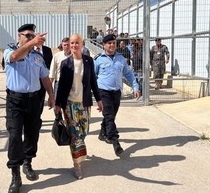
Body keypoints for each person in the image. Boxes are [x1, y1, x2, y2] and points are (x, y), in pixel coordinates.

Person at [4, 24, 54, 193]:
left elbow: (45, 77)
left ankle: (28, 162)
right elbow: (16, 56)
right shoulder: (10, 50)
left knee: (32, 134)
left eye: (32, 35)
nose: (30, 38)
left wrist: (51, 96)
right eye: (27, 35)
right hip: (15, 102)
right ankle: (15, 174)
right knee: (15, 135)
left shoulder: (37, 56)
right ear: (19, 36)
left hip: (34, 101)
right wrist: (32, 43)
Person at [55, 33, 103, 180]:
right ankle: (77, 165)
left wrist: (99, 100)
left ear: (82, 45)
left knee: (84, 131)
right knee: (75, 136)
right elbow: (62, 86)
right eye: (72, 43)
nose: (74, 46)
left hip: (85, 103)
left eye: (77, 43)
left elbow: (93, 82)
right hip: (70, 105)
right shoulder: (65, 63)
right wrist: (58, 104)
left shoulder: (89, 61)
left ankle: (80, 153)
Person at [94, 34, 140, 156]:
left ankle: (102, 132)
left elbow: (128, 74)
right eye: (109, 43)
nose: (112, 45)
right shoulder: (98, 60)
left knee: (111, 116)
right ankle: (115, 141)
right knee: (109, 115)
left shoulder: (121, 59)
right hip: (103, 91)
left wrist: (135, 87)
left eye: (113, 43)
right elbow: (92, 77)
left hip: (116, 92)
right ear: (104, 45)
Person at [35, 43, 53, 115]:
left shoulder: (47, 50)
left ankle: (38, 114)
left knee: (41, 98)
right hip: (34, 79)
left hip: (44, 79)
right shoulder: (31, 50)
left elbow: (50, 63)